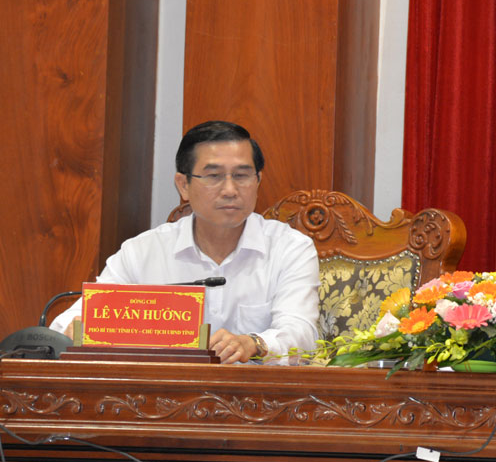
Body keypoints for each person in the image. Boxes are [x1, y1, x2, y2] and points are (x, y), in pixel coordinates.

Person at [50, 121, 319, 364]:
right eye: (213, 176)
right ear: (183, 185)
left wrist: (254, 343)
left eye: (242, 175)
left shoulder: (290, 248)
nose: (230, 189)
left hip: (256, 403)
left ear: (258, 181)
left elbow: (302, 332)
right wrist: (74, 331)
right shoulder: (143, 252)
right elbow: (65, 327)